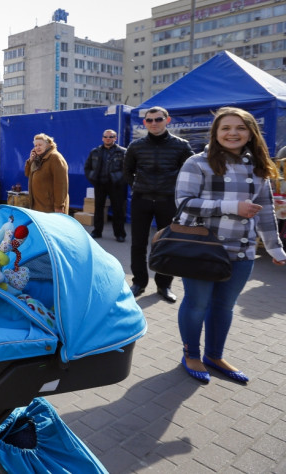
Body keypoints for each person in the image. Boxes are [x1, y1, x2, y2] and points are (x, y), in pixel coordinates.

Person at [175, 107, 286, 384]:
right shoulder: (197, 162)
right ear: (216, 133)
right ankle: (191, 354)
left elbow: (265, 210)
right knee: (197, 304)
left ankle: (214, 355)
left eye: (240, 128)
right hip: (202, 249)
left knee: (224, 306)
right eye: (225, 128)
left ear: (250, 133)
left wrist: (274, 248)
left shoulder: (258, 165)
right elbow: (184, 204)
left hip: (243, 251)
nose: (232, 133)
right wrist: (231, 207)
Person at [124, 106, 193, 302]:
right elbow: (127, 171)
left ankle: (164, 285)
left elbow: (190, 174)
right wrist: (137, 186)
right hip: (141, 201)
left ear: (167, 120)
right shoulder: (136, 146)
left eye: (158, 119)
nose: (154, 123)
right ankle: (139, 282)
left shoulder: (181, 146)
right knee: (138, 244)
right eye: (149, 120)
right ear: (145, 123)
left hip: (168, 202)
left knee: (166, 243)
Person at [84, 130, 128, 242]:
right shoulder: (95, 151)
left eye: (111, 136)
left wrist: (120, 180)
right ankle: (97, 231)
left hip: (116, 185)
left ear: (115, 138)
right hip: (99, 184)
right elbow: (87, 167)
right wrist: (92, 179)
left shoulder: (123, 152)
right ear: (102, 138)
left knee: (118, 210)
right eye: (106, 136)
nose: (108, 138)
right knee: (98, 209)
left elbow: (128, 169)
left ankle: (119, 234)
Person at [24, 133, 69, 214]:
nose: (37, 147)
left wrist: (59, 206)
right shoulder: (38, 159)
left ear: (48, 145)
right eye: (36, 145)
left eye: (40, 145)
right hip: (38, 206)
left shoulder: (55, 158)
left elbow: (61, 184)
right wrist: (30, 160)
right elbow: (27, 174)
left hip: (50, 207)